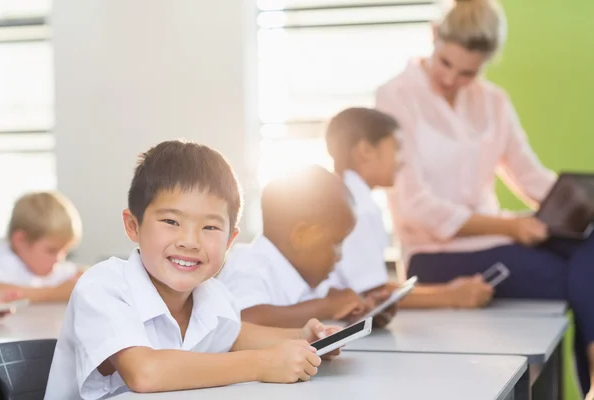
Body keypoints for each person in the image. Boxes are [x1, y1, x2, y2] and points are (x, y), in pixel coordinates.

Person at [375, 0, 594, 396]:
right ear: (433, 36)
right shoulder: (395, 96)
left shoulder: (493, 101)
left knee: (591, 243)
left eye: (468, 72)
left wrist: (581, 204)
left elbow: (529, 175)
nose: (452, 79)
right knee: (579, 278)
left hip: (499, 237)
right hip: (436, 253)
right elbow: (415, 205)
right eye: (445, 64)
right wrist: (508, 225)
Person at [44, 140, 340, 400]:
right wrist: (263, 364)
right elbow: (145, 372)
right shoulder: (103, 286)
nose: (189, 241)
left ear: (229, 241)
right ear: (133, 226)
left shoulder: (213, 294)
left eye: (210, 227)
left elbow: (233, 335)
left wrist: (303, 338)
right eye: (171, 222)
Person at [325, 107, 492, 310]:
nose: (401, 159)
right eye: (396, 148)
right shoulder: (358, 207)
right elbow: (372, 292)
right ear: (366, 151)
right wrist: (453, 296)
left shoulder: (346, 197)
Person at [219, 165, 370, 328]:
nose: (339, 256)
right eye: (336, 243)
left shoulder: (303, 274)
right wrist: (326, 307)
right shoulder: (248, 266)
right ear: (302, 236)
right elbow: (245, 321)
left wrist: (358, 309)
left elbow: (324, 301)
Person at [0, 191, 83, 302]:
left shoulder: (49, 267)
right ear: (20, 241)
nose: (58, 259)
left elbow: (82, 274)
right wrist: (55, 293)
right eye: (51, 250)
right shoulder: (1, 260)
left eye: (64, 251)